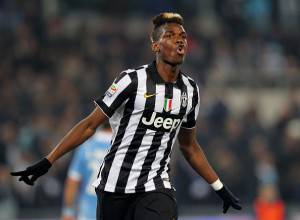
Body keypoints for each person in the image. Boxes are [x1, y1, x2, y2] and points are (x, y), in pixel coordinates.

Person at [11, 12, 242, 220]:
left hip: (156, 186)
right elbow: (90, 125)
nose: (180, 40)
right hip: (114, 188)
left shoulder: (190, 91)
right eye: (171, 35)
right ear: (156, 46)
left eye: (183, 35)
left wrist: (219, 187)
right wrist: (48, 161)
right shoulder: (131, 81)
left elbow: (189, 147)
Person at [62, 125, 112, 220]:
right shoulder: (124, 147)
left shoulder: (87, 146)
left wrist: (67, 212)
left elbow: (72, 181)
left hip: (86, 214)